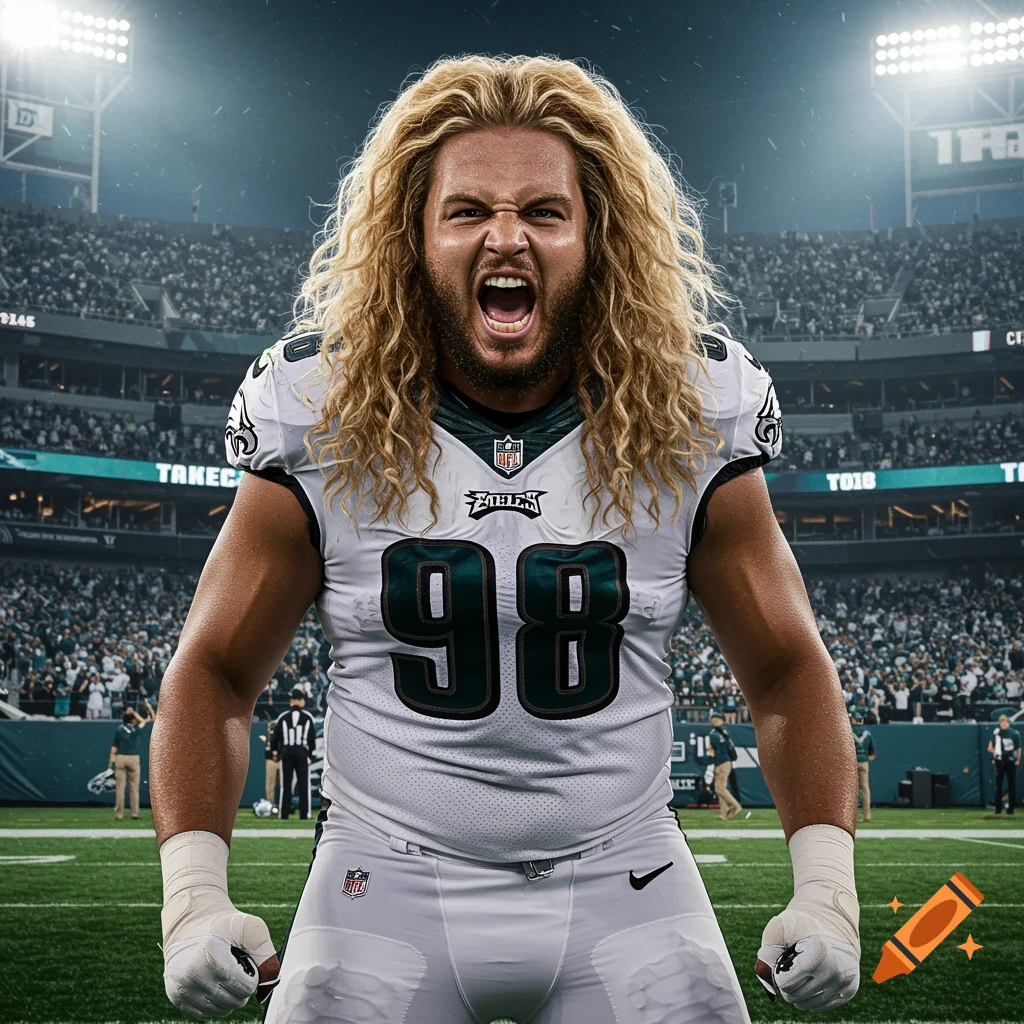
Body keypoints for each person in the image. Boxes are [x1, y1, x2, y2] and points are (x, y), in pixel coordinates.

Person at [150, 56, 860, 1023]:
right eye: (468, 210)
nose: (507, 235)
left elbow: (785, 669)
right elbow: (216, 671)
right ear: (414, 237)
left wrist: (827, 889)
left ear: (598, 236)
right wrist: (192, 897)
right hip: (381, 873)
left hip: (627, 869)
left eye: (544, 211)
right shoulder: (319, 410)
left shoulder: (692, 408)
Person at [270, 688, 316, 820]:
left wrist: (275, 751)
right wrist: (310, 753)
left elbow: (275, 737)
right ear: (301, 701)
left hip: (287, 752)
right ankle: (304, 814)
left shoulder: (283, 717)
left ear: (291, 701)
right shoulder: (307, 717)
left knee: (286, 784)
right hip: (301, 752)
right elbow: (311, 738)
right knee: (303, 784)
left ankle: (283, 813)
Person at [108, 700, 155, 821]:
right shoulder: (137, 728)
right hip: (133, 758)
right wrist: (145, 707)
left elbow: (114, 748)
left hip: (121, 757)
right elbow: (152, 718)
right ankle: (134, 813)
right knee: (134, 788)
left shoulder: (119, 729)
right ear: (133, 719)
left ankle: (119, 814)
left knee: (120, 788)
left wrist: (110, 763)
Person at [708, 710, 742, 820]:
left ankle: (736, 806)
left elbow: (713, 751)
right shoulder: (723, 732)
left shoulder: (714, 734)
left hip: (722, 762)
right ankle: (723, 813)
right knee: (721, 788)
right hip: (726, 762)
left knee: (719, 789)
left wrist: (713, 763)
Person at [988, 714, 1021, 816]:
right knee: (999, 784)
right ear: (999, 723)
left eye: (1005, 722)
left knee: (1012, 784)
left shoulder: (1014, 733)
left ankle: (1011, 808)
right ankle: (998, 808)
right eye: (1002, 722)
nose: (1004, 724)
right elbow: (990, 747)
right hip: (1000, 761)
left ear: (1008, 723)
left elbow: (1018, 748)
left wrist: (1018, 760)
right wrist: (994, 752)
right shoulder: (997, 733)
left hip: (1010, 760)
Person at [850, 712, 875, 822]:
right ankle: (867, 815)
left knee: (851, 789)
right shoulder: (867, 733)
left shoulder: (849, 730)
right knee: (865, 788)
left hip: (852, 762)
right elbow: (872, 753)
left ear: (853, 720)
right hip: (864, 762)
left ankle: (851, 816)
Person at [264, 728, 281, 808]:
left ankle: (283, 802)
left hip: (282, 759)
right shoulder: (269, 736)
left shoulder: (283, 733)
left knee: (284, 782)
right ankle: (270, 802)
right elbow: (267, 747)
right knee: (270, 782)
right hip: (271, 760)